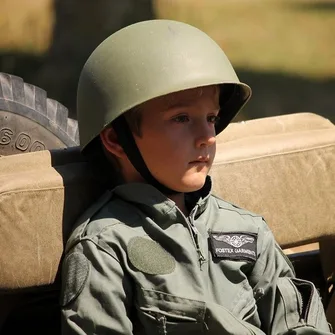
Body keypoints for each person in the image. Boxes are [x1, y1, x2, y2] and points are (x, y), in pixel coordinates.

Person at [61, 19, 332, 334]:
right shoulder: (105, 246)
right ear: (117, 140)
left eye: (211, 118)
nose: (208, 136)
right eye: (181, 118)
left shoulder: (247, 230)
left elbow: (297, 323)